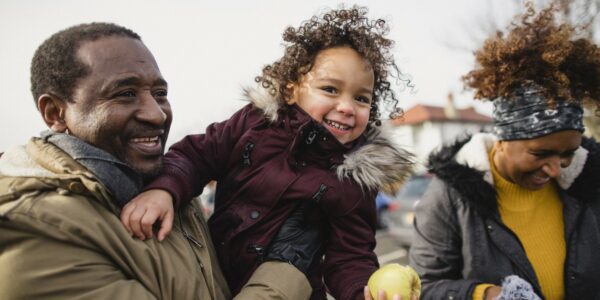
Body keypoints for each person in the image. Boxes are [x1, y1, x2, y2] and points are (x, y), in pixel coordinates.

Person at [0, 22, 322, 299]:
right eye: (125, 93)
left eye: (160, 93)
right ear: (55, 113)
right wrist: (287, 267)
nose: (156, 114)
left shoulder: (166, 190)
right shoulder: (34, 234)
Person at [121, 6, 414, 299]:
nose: (347, 107)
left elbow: (351, 257)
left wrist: (364, 293)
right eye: (330, 89)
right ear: (291, 90)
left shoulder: (355, 180)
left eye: (361, 98)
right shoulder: (254, 124)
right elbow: (195, 155)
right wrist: (164, 190)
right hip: (212, 280)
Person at [409, 4, 600, 300]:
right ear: (503, 138)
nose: (556, 168)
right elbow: (425, 285)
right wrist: (485, 295)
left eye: (568, 153)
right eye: (540, 154)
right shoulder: (450, 195)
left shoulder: (590, 183)